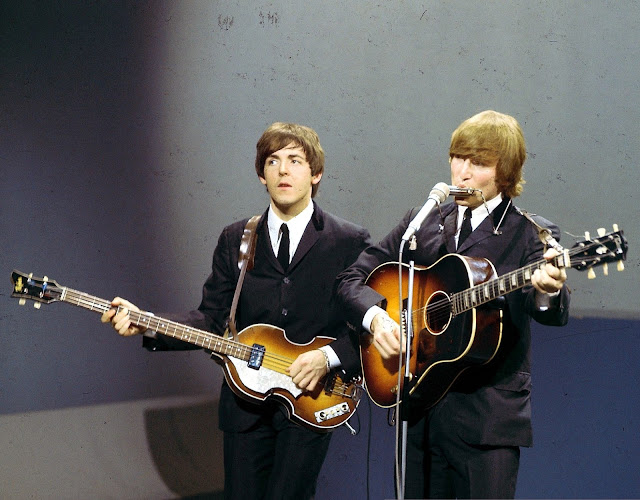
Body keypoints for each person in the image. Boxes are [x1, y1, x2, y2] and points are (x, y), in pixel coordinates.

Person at [101, 122, 372, 500]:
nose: (283, 170)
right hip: (244, 407)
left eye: (295, 160)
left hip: (311, 402)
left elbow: (367, 326)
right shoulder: (236, 238)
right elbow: (210, 318)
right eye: (273, 161)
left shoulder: (349, 241)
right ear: (262, 175)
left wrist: (328, 359)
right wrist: (144, 323)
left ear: (316, 173)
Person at [336, 110, 570, 499]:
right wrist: (377, 320)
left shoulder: (530, 233)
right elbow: (350, 280)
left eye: (477, 163)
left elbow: (545, 309)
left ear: (505, 173)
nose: (461, 172)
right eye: (457, 157)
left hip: (487, 423)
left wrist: (549, 288)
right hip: (420, 412)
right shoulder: (423, 222)